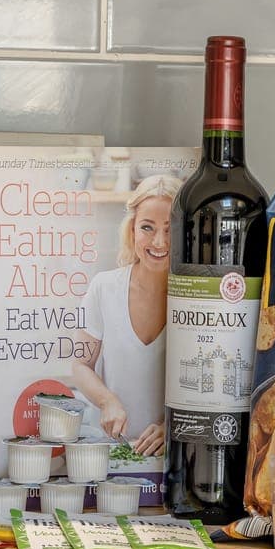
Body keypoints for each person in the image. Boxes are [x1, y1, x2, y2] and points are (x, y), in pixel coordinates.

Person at [71, 174, 183, 456]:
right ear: (132, 230)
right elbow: (81, 365)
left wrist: (172, 426)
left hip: (172, 454)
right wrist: (106, 401)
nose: (160, 242)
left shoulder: (195, 297)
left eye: (171, 229)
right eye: (147, 227)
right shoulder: (104, 287)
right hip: (110, 451)